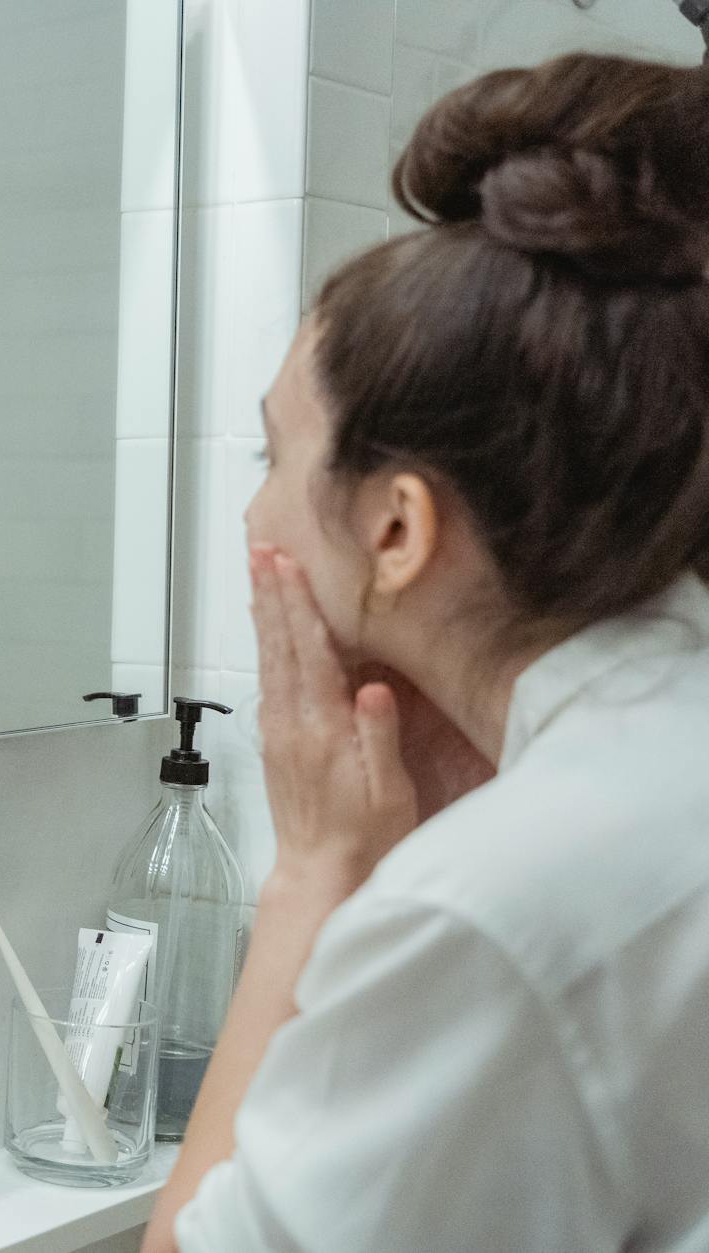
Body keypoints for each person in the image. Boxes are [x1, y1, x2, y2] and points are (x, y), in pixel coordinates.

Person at [145, 53, 709, 1251]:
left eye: (270, 462)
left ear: (394, 529)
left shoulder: (488, 909)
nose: (252, 521)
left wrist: (312, 868)